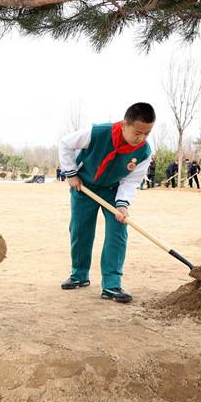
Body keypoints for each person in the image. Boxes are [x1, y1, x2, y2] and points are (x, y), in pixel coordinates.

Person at [58, 103, 154, 303]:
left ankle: (111, 285)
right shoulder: (98, 132)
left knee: (118, 232)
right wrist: (72, 173)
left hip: (114, 190)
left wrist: (122, 204)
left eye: (147, 133)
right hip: (83, 186)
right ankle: (79, 275)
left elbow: (132, 180)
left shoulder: (144, 152)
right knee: (80, 230)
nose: (142, 138)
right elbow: (65, 144)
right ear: (124, 124)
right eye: (137, 133)